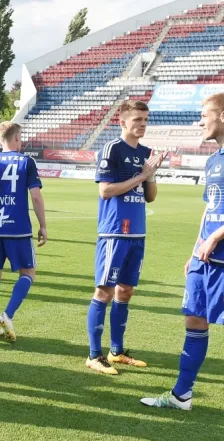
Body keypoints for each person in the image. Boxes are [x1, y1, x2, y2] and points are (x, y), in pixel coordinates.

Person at [141, 92, 224, 422]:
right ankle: (181, 395)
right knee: (194, 320)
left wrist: (213, 238)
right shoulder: (213, 159)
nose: (200, 122)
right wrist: (196, 248)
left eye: (204, 115)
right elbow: (209, 209)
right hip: (205, 256)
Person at [85, 100, 164, 375]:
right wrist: (141, 174)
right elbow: (105, 191)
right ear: (123, 122)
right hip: (115, 231)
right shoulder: (112, 149)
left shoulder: (147, 152)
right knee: (104, 291)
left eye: (145, 119)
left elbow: (150, 196)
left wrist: (150, 175)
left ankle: (116, 351)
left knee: (125, 291)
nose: (142, 124)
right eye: (137, 120)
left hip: (138, 233)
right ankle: (94, 355)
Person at [0, 122, 46, 342]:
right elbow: (36, 197)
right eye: (20, 138)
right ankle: (7, 315)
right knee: (28, 273)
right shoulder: (26, 162)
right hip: (19, 230)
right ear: (15, 138)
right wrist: (43, 225)